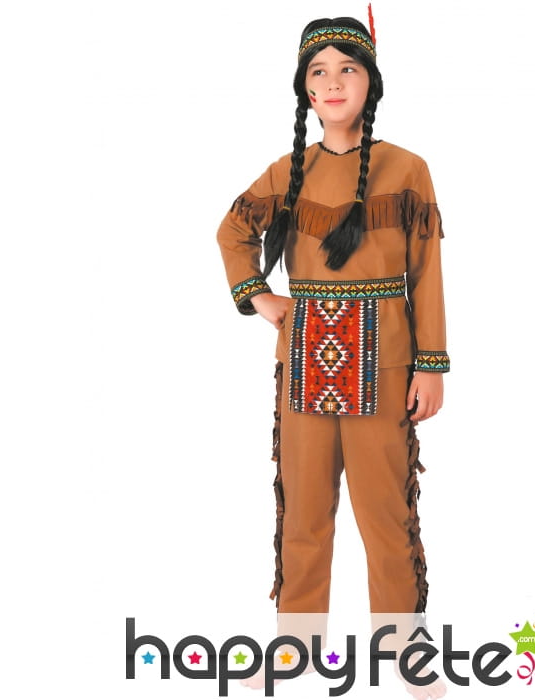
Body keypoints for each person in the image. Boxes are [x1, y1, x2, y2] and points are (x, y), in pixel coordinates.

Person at [215, 13, 449, 697]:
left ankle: (404, 653)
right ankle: (295, 648)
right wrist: (261, 297)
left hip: (387, 365)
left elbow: (426, 273)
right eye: (319, 72)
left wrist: (431, 364)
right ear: (305, 90)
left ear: (371, 81)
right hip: (306, 365)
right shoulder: (287, 173)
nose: (334, 81)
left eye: (349, 67)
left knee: (387, 516)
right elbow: (232, 231)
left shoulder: (409, 169)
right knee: (305, 513)